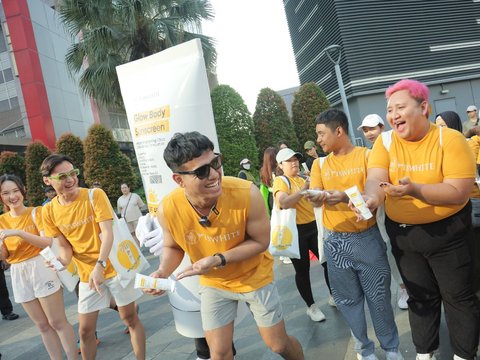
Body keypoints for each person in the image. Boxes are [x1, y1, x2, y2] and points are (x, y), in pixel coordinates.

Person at [145, 131, 304, 360]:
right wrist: (162, 272)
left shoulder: (246, 193)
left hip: (254, 276)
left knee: (278, 345)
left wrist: (218, 259)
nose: (214, 175)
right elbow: (173, 247)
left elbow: (261, 242)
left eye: (215, 163)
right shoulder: (168, 208)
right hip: (214, 282)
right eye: (201, 171)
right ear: (179, 180)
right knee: (218, 353)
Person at [363, 79, 479, 360]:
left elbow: (457, 191)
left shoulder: (449, 139)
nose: (393, 115)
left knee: (458, 297)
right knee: (420, 297)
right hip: (404, 237)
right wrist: (371, 200)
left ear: (423, 107)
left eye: (400, 107)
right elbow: (376, 178)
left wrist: (415, 189)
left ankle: (464, 354)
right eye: (390, 109)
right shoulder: (386, 142)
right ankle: (425, 353)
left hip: (449, 233)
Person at [307, 109, 402, 360]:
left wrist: (345, 196)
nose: (318, 140)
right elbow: (316, 199)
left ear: (339, 131)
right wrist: (318, 195)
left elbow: (378, 190)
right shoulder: (320, 163)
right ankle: (364, 349)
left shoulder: (368, 157)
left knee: (379, 298)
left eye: (321, 133)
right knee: (348, 302)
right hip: (335, 241)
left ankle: (391, 348)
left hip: (367, 236)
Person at [40, 154, 145, 360]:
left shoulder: (94, 195)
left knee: (129, 318)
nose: (70, 180)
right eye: (62, 176)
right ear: (47, 180)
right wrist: (62, 261)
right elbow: (65, 247)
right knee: (85, 331)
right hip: (88, 275)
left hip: (113, 268)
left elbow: (107, 232)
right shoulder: (49, 211)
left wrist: (100, 264)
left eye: (73, 173)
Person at [0, 174, 77, 359]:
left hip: (41, 266)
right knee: (42, 326)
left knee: (57, 321)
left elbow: (47, 241)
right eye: (6, 193)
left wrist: (18, 233)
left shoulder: (36, 212)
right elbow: (5, 256)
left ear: (22, 190)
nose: (12, 196)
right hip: (19, 272)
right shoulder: (1, 221)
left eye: (15, 191)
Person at [359, 113, 409, 310]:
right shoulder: (368, 153)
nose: (369, 133)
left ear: (382, 127)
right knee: (390, 248)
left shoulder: (393, 145)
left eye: (372, 128)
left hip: (403, 206)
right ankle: (404, 288)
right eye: (365, 130)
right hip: (381, 209)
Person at [273, 148, 327, 322]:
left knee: (328, 262)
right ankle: (311, 307)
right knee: (302, 270)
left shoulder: (303, 178)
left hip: (314, 227)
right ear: (280, 165)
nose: (294, 162)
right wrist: (303, 190)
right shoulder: (281, 181)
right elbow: (283, 202)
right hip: (296, 231)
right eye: (289, 160)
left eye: (295, 159)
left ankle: (335, 295)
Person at [436, 111, 480, 294]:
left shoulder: (467, 145)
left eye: (442, 126)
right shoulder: (436, 150)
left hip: (472, 202)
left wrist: (469, 134)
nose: (438, 130)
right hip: (449, 207)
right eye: (436, 126)